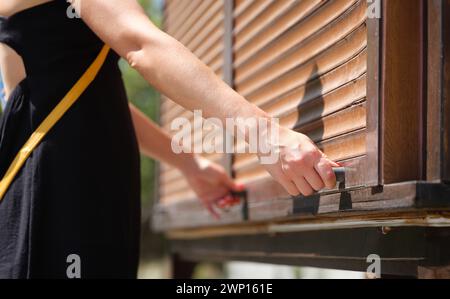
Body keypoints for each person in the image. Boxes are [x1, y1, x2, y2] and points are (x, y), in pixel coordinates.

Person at [0, 0, 339, 278]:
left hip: (37, 190)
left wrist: (189, 164)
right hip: (70, 198)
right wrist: (266, 136)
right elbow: (142, 47)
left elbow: (53, 102)